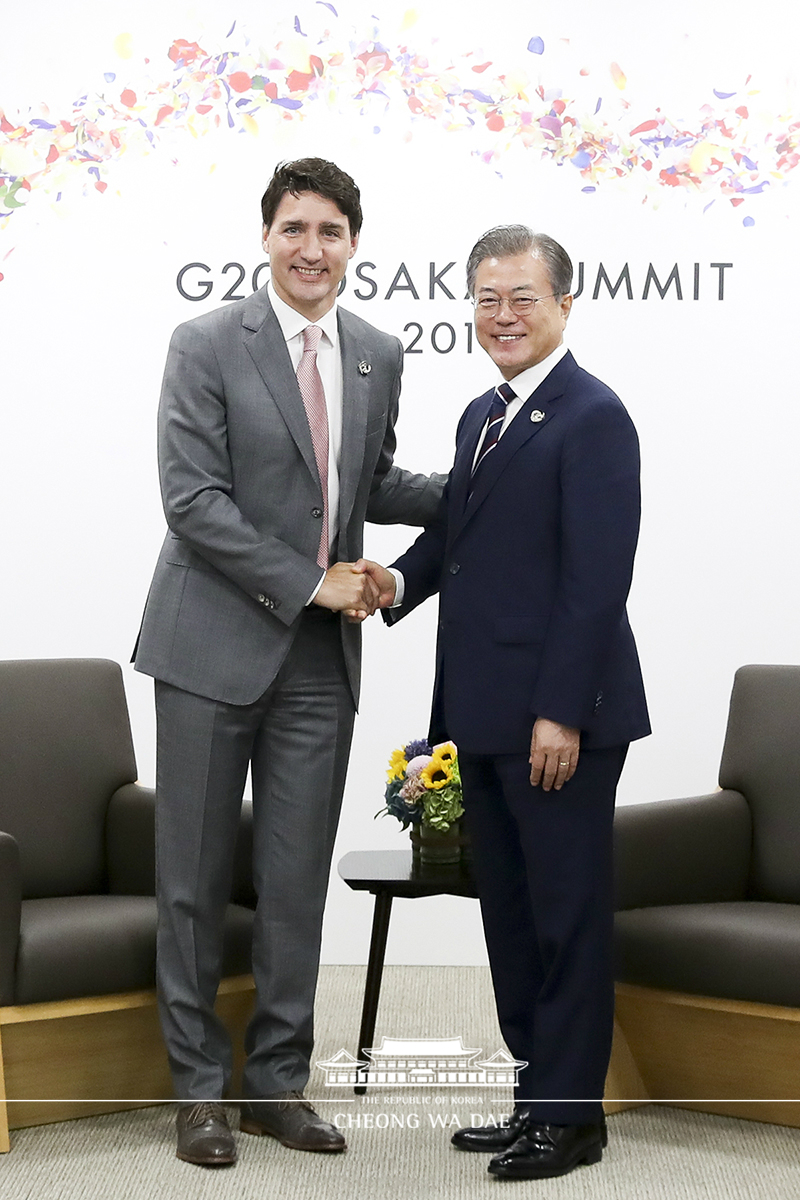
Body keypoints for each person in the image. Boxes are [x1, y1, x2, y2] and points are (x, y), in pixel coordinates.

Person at [133, 157, 444, 1166]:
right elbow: (193, 502)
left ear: (355, 243)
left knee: (294, 878)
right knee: (193, 878)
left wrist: (483, 477)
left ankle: (275, 1087)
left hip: (319, 663)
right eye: (293, 228)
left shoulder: (375, 353)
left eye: (331, 231)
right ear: (265, 238)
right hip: (208, 645)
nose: (312, 248)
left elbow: (366, 480)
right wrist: (310, 581)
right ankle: (198, 1097)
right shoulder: (206, 343)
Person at [360, 226, 650, 1181]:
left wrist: (560, 711)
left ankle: (575, 1120)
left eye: (523, 297)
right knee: (513, 920)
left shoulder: (592, 415)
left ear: (566, 304)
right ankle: (536, 1101)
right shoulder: (482, 414)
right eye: (487, 298)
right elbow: (457, 542)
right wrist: (394, 584)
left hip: (554, 721)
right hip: (481, 715)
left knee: (566, 917)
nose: (503, 316)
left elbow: (596, 582)